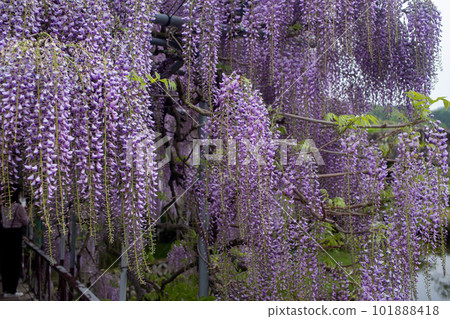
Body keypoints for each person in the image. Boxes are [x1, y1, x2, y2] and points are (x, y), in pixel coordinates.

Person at [0, 185, 29, 298]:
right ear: (17, 194)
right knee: (15, 262)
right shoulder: (18, 207)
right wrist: (29, 213)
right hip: (15, 236)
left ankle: (6, 289)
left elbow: (3, 221)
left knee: (5, 262)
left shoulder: (3, 206)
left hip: (5, 235)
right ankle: (12, 289)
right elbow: (25, 222)